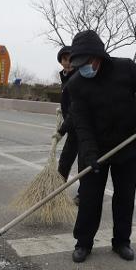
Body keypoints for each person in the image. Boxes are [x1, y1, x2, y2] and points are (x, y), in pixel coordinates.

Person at [66, 30, 136, 263]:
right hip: (95, 148)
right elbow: (81, 123)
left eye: (86, 63)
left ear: (98, 56)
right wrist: (89, 153)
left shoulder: (125, 69)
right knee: (89, 197)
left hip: (127, 145)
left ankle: (121, 242)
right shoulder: (76, 84)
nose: (83, 68)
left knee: (124, 197)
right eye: (79, 65)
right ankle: (83, 242)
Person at [53, 45, 79, 204]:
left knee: (84, 163)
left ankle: (84, 195)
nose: (67, 62)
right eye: (64, 59)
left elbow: (77, 107)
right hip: (72, 127)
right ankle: (56, 192)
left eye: (70, 59)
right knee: (65, 161)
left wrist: (61, 130)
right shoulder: (65, 76)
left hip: (84, 127)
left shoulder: (79, 77)